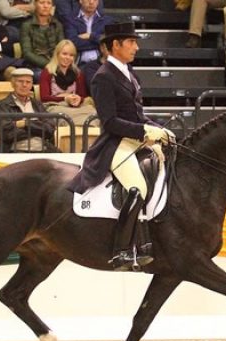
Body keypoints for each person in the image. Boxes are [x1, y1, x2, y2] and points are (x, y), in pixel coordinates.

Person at [67, 22, 174, 271]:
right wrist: (144, 131)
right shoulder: (103, 77)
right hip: (116, 144)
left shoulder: (129, 73)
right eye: (131, 42)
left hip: (135, 140)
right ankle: (122, 250)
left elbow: (137, 114)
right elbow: (110, 122)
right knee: (137, 188)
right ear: (115, 45)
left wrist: (159, 129)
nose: (136, 47)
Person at [0, 67, 58, 152]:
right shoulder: (3, 105)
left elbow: (49, 129)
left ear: (31, 85)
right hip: (15, 151)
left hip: (42, 150)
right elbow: (7, 134)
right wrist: (37, 128)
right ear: (12, 84)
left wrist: (25, 123)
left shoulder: (37, 104)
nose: (24, 85)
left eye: (28, 82)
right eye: (20, 81)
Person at [39, 39, 96, 125]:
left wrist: (78, 99)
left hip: (75, 106)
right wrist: (65, 98)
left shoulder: (78, 73)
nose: (67, 58)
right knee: (65, 117)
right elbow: (44, 98)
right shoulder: (47, 72)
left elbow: (82, 95)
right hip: (55, 106)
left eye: (71, 55)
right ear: (57, 54)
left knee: (93, 113)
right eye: (64, 54)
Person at [20, 0, 65, 78]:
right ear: (35, 4)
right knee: (44, 76)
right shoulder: (27, 25)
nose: (45, 6)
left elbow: (62, 48)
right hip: (34, 65)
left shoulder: (57, 25)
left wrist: (56, 64)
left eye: (49, 3)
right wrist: (49, 64)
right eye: (42, 2)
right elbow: (27, 53)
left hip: (56, 64)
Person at [64, 0, 112, 66]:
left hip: (101, 63)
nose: (91, 2)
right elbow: (72, 43)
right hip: (78, 64)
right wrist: (98, 43)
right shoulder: (71, 20)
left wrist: (90, 36)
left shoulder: (106, 20)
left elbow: (108, 41)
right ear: (80, 1)